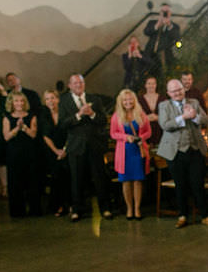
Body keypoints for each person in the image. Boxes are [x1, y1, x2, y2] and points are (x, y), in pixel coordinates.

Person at [157, 78, 208, 228]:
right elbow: (165, 125)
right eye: (173, 91)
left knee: (198, 183)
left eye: (179, 89)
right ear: (169, 93)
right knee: (180, 185)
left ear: (183, 89)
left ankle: (205, 216)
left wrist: (195, 116)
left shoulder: (194, 102)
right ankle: (182, 215)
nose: (177, 93)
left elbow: (206, 121)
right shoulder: (164, 106)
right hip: (175, 151)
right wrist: (183, 117)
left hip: (195, 149)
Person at [59, 73, 113, 222]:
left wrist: (92, 114)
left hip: (94, 145)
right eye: (75, 83)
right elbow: (62, 124)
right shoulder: (63, 101)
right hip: (76, 147)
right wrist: (79, 115)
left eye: (81, 82)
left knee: (100, 178)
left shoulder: (95, 99)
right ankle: (76, 209)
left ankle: (105, 208)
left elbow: (102, 120)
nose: (78, 85)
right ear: (70, 85)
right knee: (76, 179)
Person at [109, 89, 152, 220]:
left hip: (138, 151)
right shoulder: (116, 116)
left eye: (130, 99)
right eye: (125, 100)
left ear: (134, 100)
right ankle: (129, 208)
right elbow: (113, 133)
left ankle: (137, 209)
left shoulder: (141, 114)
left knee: (138, 180)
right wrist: (125, 137)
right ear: (121, 102)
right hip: (124, 152)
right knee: (126, 181)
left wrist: (140, 138)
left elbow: (148, 132)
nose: (128, 102)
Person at [2, 91, 41, 217]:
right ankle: (17, 211)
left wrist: (24, 127)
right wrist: (17, 128)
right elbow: (6, 137)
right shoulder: (7, 118)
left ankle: (35, 209)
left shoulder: (32, 116)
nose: (19, 103)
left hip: (29, 152)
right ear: (12, 103)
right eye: (16, 101)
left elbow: (33, 134)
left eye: (21, 101)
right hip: (14, 153)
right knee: (15, 182)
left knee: (32, 181)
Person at [38, 89, 69, 217]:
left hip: (68, 149)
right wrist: (56, 150)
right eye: (47, 99)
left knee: (69, 177)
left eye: (52, 98)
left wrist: (65, 150)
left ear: (58, 99)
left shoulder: (65, 113)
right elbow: (45, 136)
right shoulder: (43, 115)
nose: (50, 101)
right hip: (52, 151)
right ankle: (59, 206)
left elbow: (71, 132)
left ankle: (71, 205)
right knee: (56, 178)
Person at [143, 3, 181, 79]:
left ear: (170, 13)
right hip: (151, 55)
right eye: (163, 11)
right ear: (160, 13)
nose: (164, 13)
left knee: (164, 77)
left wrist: (169, 25)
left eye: (166, 11)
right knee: (150, 77)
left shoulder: (175, 26)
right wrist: (157, 25)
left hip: (165, 56)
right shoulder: (152, 23)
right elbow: (146, 32)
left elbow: (177, 39)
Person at [138, 75, 163, 146]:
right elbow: (136, 116)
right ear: (145, 85)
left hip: (160, 130)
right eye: (149, 83)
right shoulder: (139, 100)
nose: (151, 86)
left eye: (153, 83)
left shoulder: (163, 99)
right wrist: (146, 118)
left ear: (156, 85)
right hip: (145, 130)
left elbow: (168, 116)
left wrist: (158, 117)